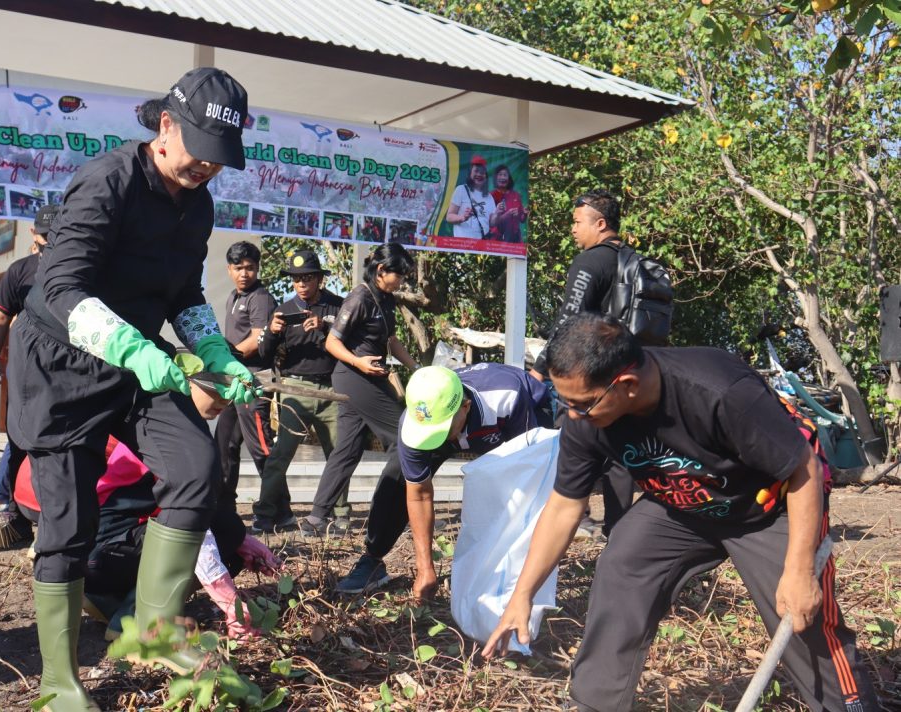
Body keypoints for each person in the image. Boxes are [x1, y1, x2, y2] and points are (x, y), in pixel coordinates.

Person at [6, 68, 257, 711]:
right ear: (166, 125)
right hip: (62, 367)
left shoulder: (196, 203)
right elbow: (59, 288)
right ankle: (59, 682)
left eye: (218, 157)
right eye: (198, 146)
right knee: (68, 523)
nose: (206, 165)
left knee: (196, 465)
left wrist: (212, 348)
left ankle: (153, 629)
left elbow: (181, 293)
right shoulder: (108, 181)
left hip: (136, 362)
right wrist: (134, 350)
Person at [484, 313, 881, 712]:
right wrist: (523, 596)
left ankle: (846, 705)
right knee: (624, 563)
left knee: (802, 619)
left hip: (770, 507)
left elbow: (805, 470)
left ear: (627, 385)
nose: (572, 415)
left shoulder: (719, 391)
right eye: (565, 402)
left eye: (582, 405)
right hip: (682, 508)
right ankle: (594, 703)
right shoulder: (585, 420)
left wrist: (797, 572)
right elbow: (563, 506)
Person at [14, 380, 282, 642]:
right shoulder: (167, 437)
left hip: (79, 546)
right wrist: (231, 604)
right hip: (98, 553)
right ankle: (138, 618)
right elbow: (190, 526)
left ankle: (109, 600)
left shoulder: (142, 413)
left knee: (227, 531)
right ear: (186, 383)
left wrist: (244, 542)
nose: (223, 398)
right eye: (212, 388)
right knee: (220, 534)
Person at [335, 364, 555, 596]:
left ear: (465, 407)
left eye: (439, 431)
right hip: (463, 425)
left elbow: (525, 473)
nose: (432, 439)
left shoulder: (506, 397)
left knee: (517, 489)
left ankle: (521, 566)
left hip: (517, 419)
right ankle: (373, 559)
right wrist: (424, 568)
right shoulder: (416, 418)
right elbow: (419, 494)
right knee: (397, 477)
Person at [529, 189, 636, 538]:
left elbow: (568, 319)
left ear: (600, 223)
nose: (573, 229)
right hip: (630, 373)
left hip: (588, 373)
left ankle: (576, 518)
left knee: (571, 441)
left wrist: (542, 367)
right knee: (621, 453)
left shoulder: (590, 262)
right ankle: (619, 528)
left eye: (578, 222)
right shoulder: (634, 260)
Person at [300, 242, 419, 538]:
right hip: (355, 377)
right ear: (381, 270)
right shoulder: (359, 297)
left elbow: (391, 340)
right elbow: (332, 343)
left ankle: (315, 519)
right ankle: (397, 516)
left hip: (370, 377)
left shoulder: (386, 299)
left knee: (347, 451)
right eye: (399, 275)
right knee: (404, 440)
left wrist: (416, 367)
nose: (402, 281)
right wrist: (360, 363)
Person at [252, 249, 344, 533]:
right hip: (295, 387)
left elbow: (352, 345)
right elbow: (264, 355)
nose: (301, 283)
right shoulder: (283, 310)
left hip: (332, 388)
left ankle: (339, 515)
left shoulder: (338, 307)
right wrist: (271, 330)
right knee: (280, 455)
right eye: (295, 279)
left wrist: (325, 328)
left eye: (307, 277)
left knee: (340, 455)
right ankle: (265, 515)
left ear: (319, 279)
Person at [0, 204, 60, 541]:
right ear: (34, 234)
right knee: (20, 438)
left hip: (72, 373)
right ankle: (11, 510)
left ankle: (56, 513)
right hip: (28, 372)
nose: (50, 239)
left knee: (64, 443)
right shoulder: (21, 271)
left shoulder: (86, 267)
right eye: (46, 233)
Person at [215, 241, 277, 499]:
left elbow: (256, 340)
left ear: (258, 268)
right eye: (238, 268)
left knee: (260, 447)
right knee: (224, 444)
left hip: (253, 382)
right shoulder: (234, 296)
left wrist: (225, 358)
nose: (244, 274)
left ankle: (277, 507)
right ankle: (223, 503)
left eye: (250, 268)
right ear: (229, 269)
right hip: (233, 381)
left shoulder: (260, 298)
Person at [446, 155, 497, 239]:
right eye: (476, 171)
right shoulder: (461, 190)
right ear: (470, 173)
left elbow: (492, 223)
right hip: (463, 243)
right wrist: (463, 218)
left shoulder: (489, 197)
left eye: (482, 172)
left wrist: (498, 212)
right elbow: (449, 216)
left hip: (482, 245)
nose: (479, 174)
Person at [489, 165, 527, 243]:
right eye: (500, 175)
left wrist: (525, 214)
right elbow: (491, 223)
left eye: (505, 175)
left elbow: (522, 219)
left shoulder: (515, 195)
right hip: (497, 240)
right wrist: (507, 214)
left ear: (509, 179)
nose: (502, 178)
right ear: (496, 178)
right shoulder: (490, 196)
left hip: (515, 239)